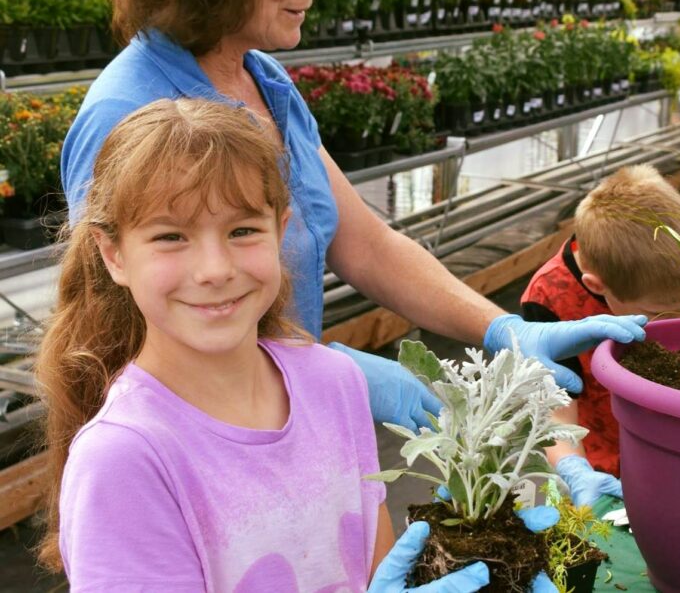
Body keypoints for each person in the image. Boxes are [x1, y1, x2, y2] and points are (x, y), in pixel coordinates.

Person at [60, 0, 646, 433]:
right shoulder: (128, 114)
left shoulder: (265, 82)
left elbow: (366, 244)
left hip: (290, 423)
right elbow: (119, 346)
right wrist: (328, 370)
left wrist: (504, 329)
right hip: (199, 453)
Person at [35, 98, 557, 591]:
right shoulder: (126, 459)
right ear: (114, 255)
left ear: (281, 229)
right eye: (171, 236)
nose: (215, 270)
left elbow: (372, 571)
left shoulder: (333, 383)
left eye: (242, 230)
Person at [520, 165, 680, 506]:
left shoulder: (658, 277)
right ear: (596, 288)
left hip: (664, 453)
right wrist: (577, 471)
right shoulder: (549, 301)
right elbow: (555, 412)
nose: (676, 321)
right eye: (658, 314)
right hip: (598, 465)